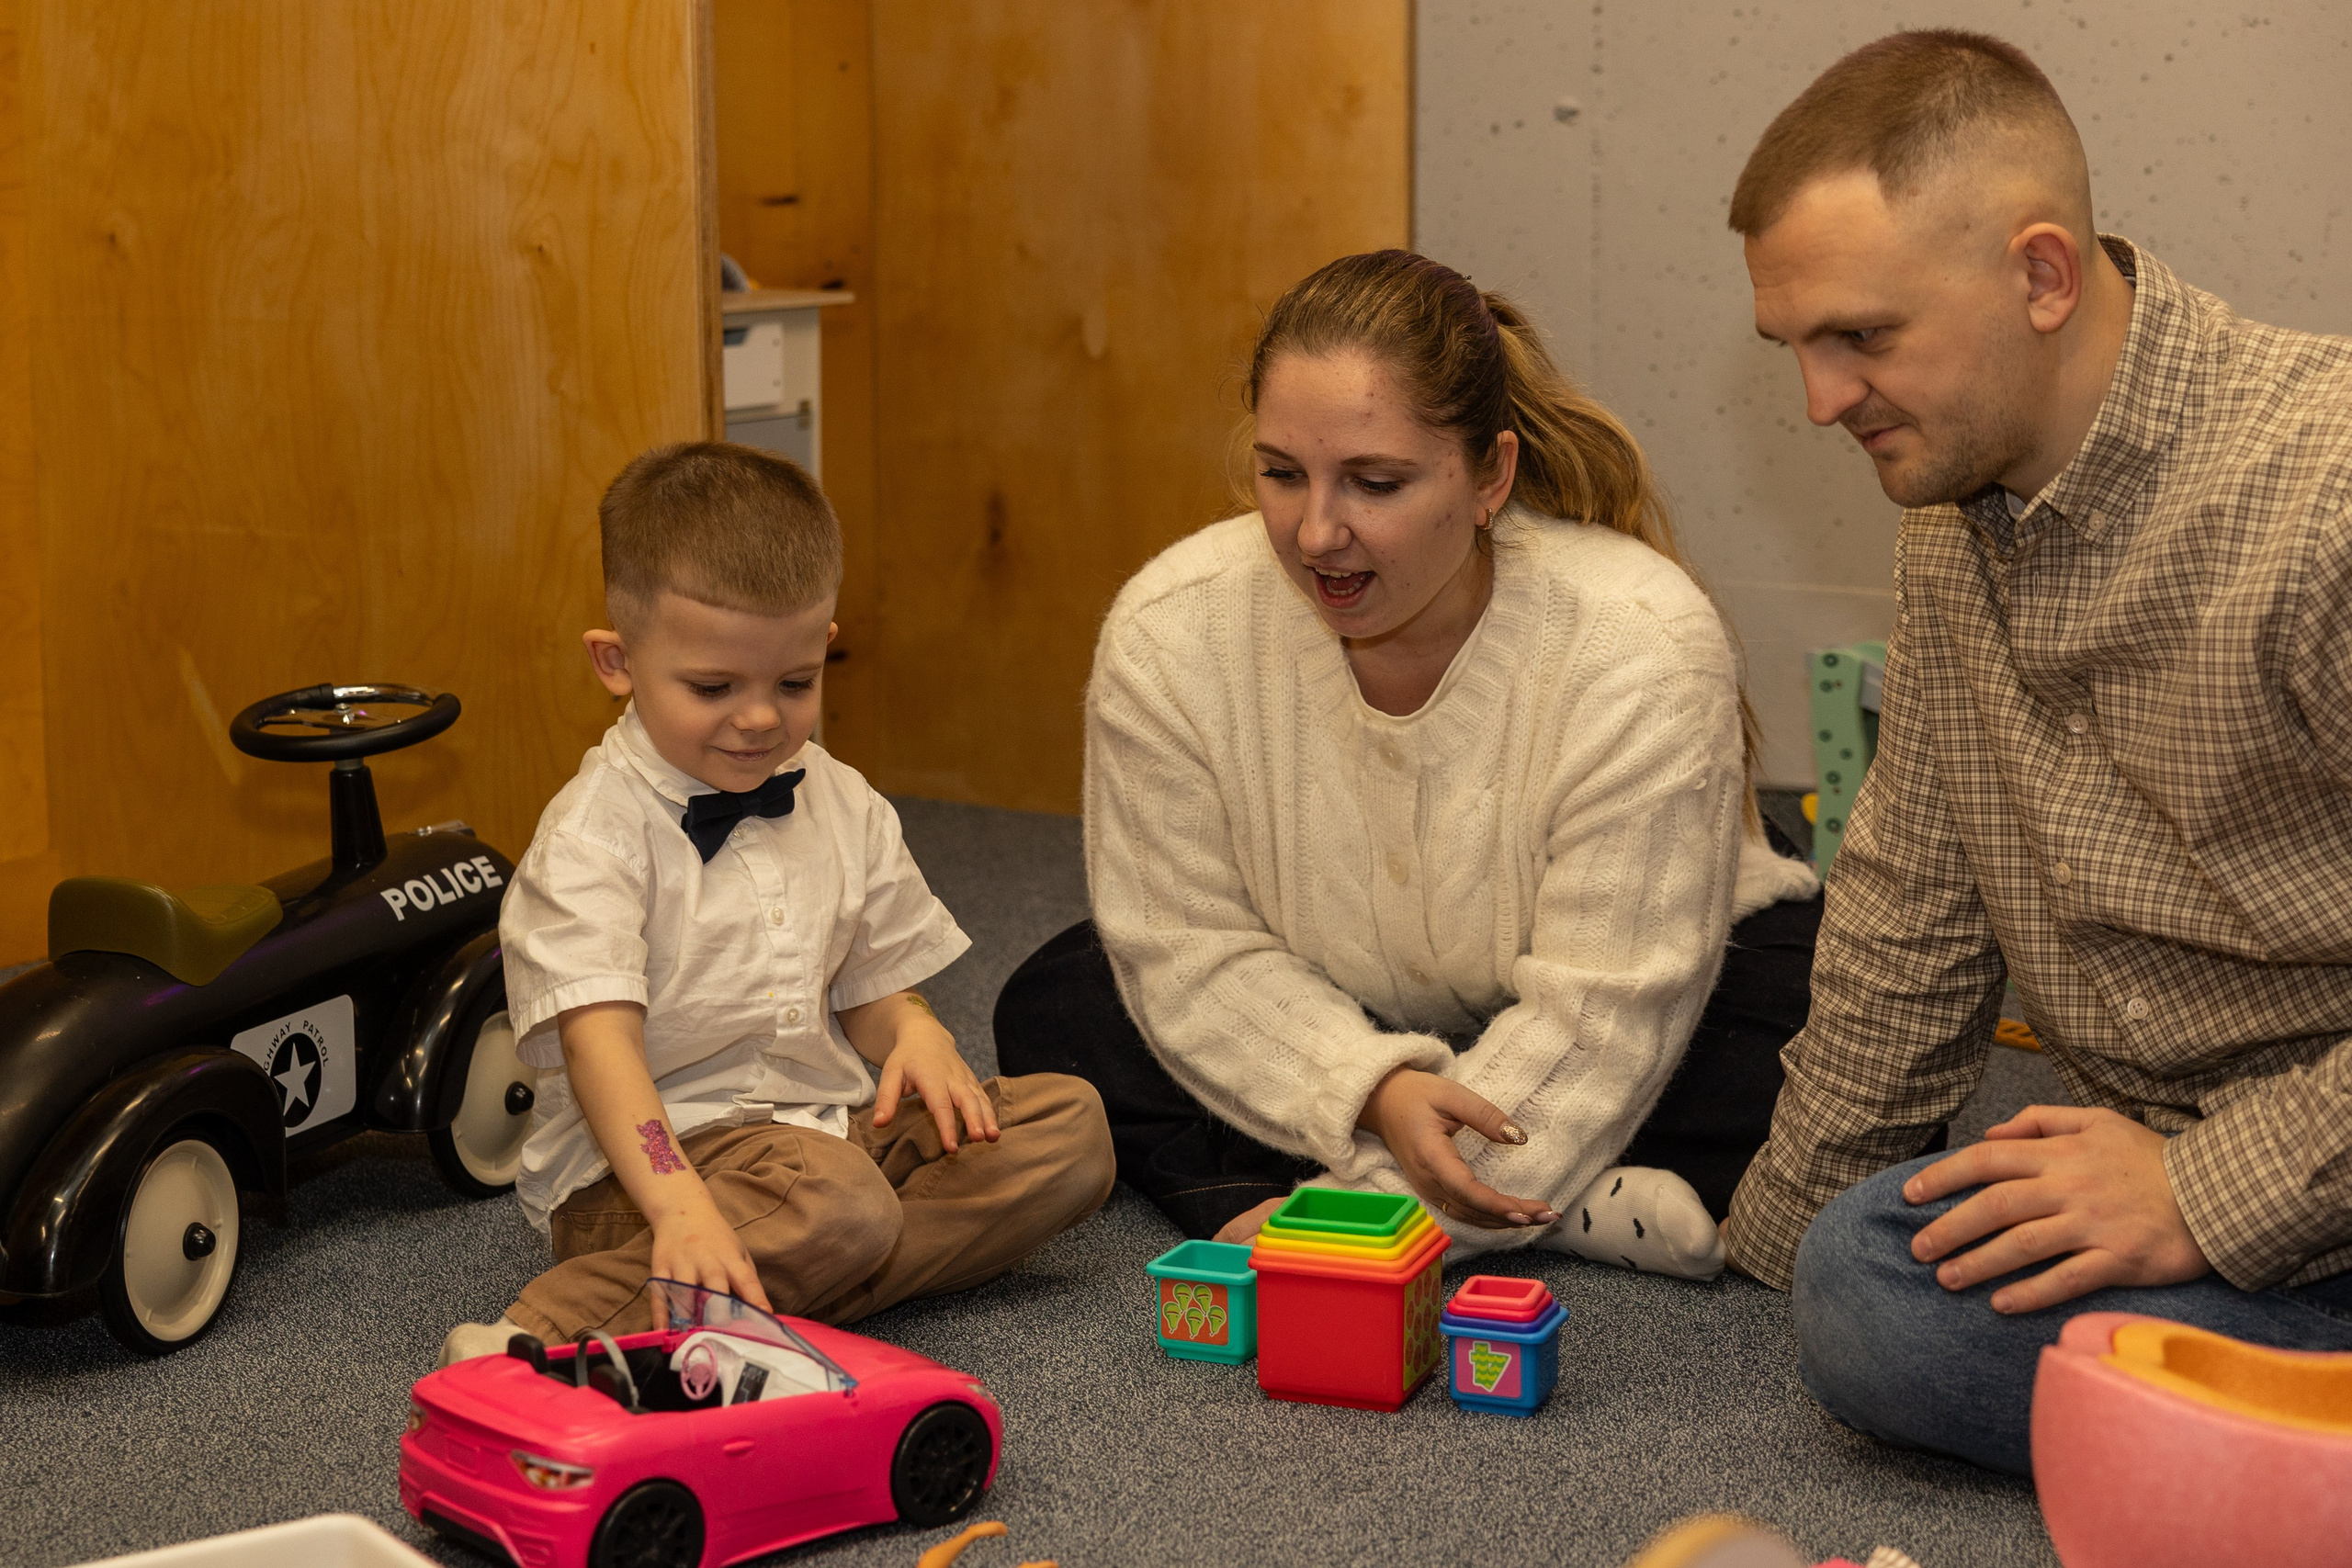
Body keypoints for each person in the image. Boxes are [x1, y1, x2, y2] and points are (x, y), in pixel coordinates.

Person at [1720, 30, 2352, 1474]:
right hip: (2180, 1181)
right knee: (1863, 1280)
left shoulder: (2327, 494)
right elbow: (1908, 912)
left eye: (1862, 338)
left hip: (2275, 1165)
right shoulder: (1952, 508)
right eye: (1796, 350)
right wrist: (1775, 1241)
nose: (1820, 401)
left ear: (2043, 276)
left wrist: (2203, 1187)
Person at [995, 251, 1821, 1277]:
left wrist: (1349, 1238)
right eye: (1280, 473)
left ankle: (1346, 1193)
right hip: (1336, 983)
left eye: (1375, 484)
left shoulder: (1640, 640)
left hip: (1605, 953)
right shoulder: (1169, 628)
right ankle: (1555, 1200)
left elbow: (1603, 1010)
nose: (1315, 532)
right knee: (1057, 1004)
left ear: (1490, 478)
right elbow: (1185, 945)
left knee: (1825, 1048)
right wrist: (1368, 1086)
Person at [440, 442, 1113, 1361]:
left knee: (1069, 1132)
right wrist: (678, 1204)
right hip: (640, 1177)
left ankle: (783, 1298)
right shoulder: (592, 839)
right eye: (713, 687)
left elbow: (870, 987)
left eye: (794, 682)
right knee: (832, 1201)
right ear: (617, 662)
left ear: (825, 647)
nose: (761, 718)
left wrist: (916, 1034)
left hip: (825, 1137)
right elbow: (601, 1050)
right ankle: (543, 1335)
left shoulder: (839, 797)